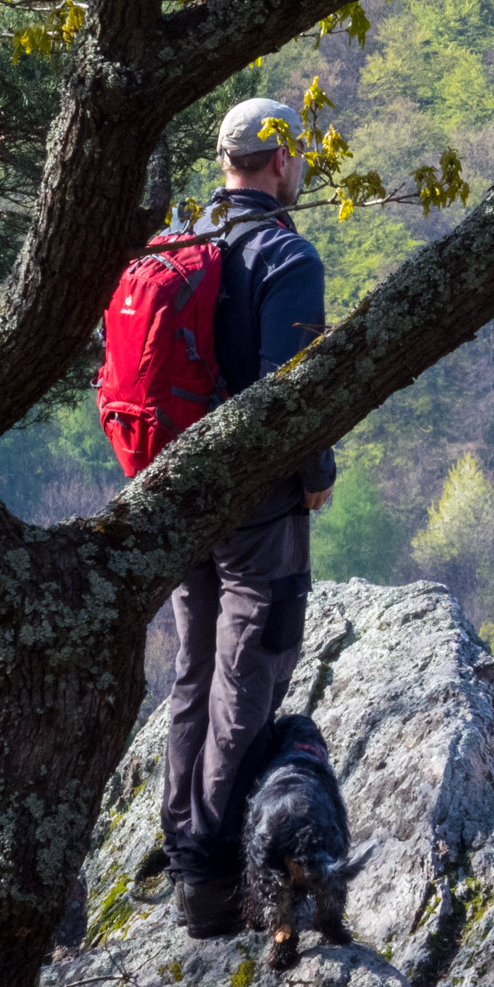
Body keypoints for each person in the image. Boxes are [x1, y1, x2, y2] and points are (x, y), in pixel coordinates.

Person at [161, 97, 335, 936]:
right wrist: (315, 474)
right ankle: (212, 878)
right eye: (298, 155)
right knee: (249, 673)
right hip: (254, 503)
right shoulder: (285, 257)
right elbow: (289, 395)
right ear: (279, 163)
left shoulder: (181, 240)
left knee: (193, 668)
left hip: (172, 490)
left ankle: (181, 847)